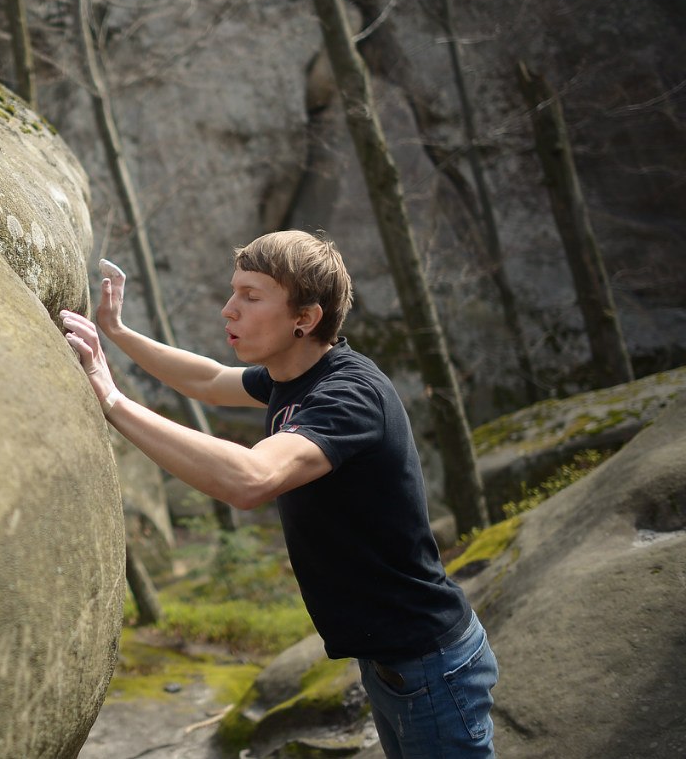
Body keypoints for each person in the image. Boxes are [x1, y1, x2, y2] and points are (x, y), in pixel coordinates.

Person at [60, 230, 498, 759]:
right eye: (233, 291)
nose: (228, 310)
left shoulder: (349, 396)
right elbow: (209, 379)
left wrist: (111, 398)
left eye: (250, 296)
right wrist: (117, 332)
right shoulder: (291, 375)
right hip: (395, 665)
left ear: (305, 318)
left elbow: (250, 479)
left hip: (430, 665)